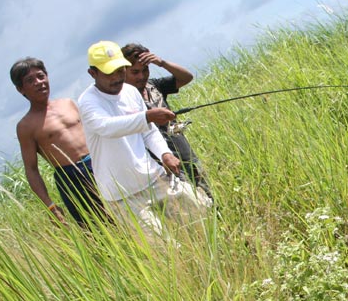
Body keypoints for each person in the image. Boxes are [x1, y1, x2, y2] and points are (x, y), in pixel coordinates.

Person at [77, 41, 210, 239]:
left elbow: (149, 132)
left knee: (201, 218)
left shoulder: (130, 92)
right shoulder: (88, 101)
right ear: (93, 73)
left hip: (153, 178)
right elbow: (106, 127)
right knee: (163, 249)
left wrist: (164, 154)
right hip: (122, 195)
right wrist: (147, 116)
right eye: (109, 73)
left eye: (120, 70)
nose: (116, 78)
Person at [11, 57, 109, 227]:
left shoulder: (68, 104)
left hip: (99, 162)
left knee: (123, 211)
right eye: (30, 80)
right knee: (96, 228)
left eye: (41, 76)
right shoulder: (26, 126)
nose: (39, 82)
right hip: (71, 177)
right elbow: (31, 169)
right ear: (21, 89)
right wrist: (50, 206)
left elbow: (96, 133)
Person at [121, 43, 212, 198]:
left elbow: (186, 77)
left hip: (184, 152)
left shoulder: (153, 86)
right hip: (163, 162)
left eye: (145, 70)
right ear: (123, 71)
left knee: (206, 193)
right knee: (188, 203)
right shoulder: (124, 99)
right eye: (135, 72)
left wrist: (161, 63)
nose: (141, 76)